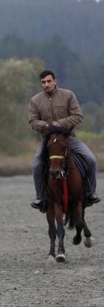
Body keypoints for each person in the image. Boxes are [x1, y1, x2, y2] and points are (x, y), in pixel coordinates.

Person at [29, 69, 99, 211]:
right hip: (48, 140)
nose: (46, 84)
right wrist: (46, 125)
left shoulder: (68, 95)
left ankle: (90, 193)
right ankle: (41, 199)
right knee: (36, 165)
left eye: (49, 81)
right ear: (41, 84)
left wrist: (60, 123)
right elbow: (33, 121)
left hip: (68, 138)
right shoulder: (35, 100)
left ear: (55, 81)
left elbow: (78, 116)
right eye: (43, 82)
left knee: (91, 159)